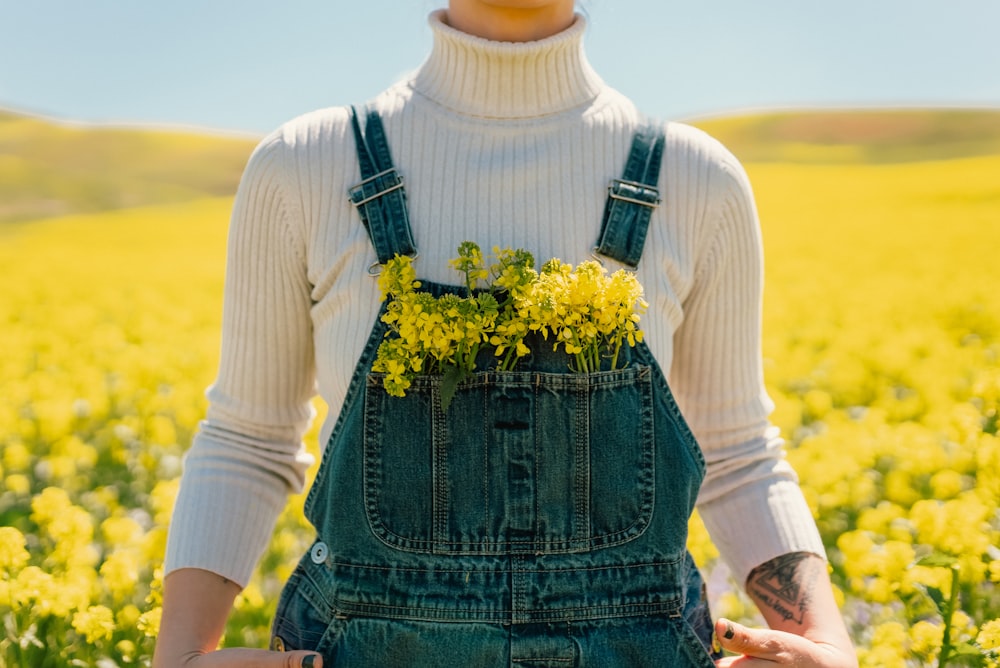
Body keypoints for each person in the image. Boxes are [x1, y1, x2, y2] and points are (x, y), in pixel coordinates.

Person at [153, 1, 857, 666]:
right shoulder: (306, 165)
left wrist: (827, 640)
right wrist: (180, 653)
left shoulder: (696, 179)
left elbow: (736, 451)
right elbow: (248, 438)